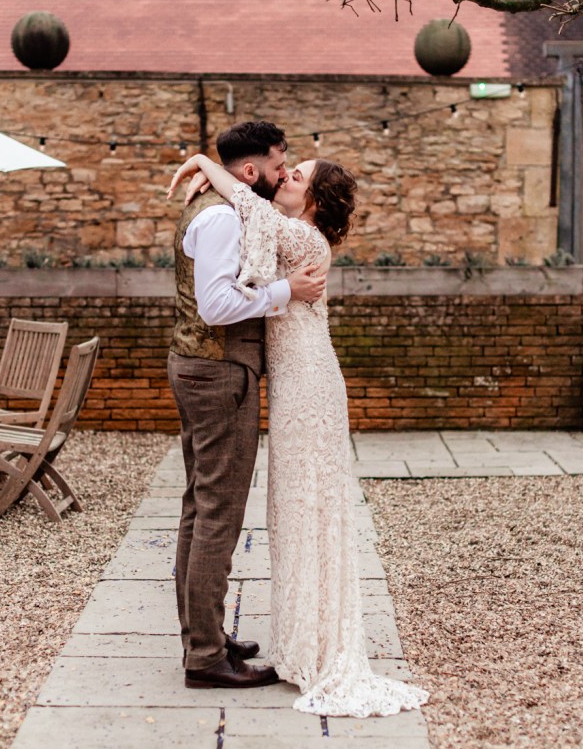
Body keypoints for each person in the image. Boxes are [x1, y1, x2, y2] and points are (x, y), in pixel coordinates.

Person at [168, 150, 429, 717]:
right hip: (294, 385)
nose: (286, 175)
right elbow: (247, 204)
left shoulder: (305, 241)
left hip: (308, 388)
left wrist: (199, 163)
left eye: (299, 174)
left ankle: (316, 641)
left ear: (313, 198)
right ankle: (291, 634)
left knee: (307, 506)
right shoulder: (293, 233)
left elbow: (244, 198)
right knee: (294, 508)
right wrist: (210, 168)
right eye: (287, 167)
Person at [167, 120, 327, 691]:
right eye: (281, 165)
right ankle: (206, 656)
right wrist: (286, 293)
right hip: (218, 371)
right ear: (252, 171)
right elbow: (217, 305)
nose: (286, 174)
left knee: (199, 505)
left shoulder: (228, 207)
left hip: (204, 368)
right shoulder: (219, 217)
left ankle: (202, 635)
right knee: (217, 513)